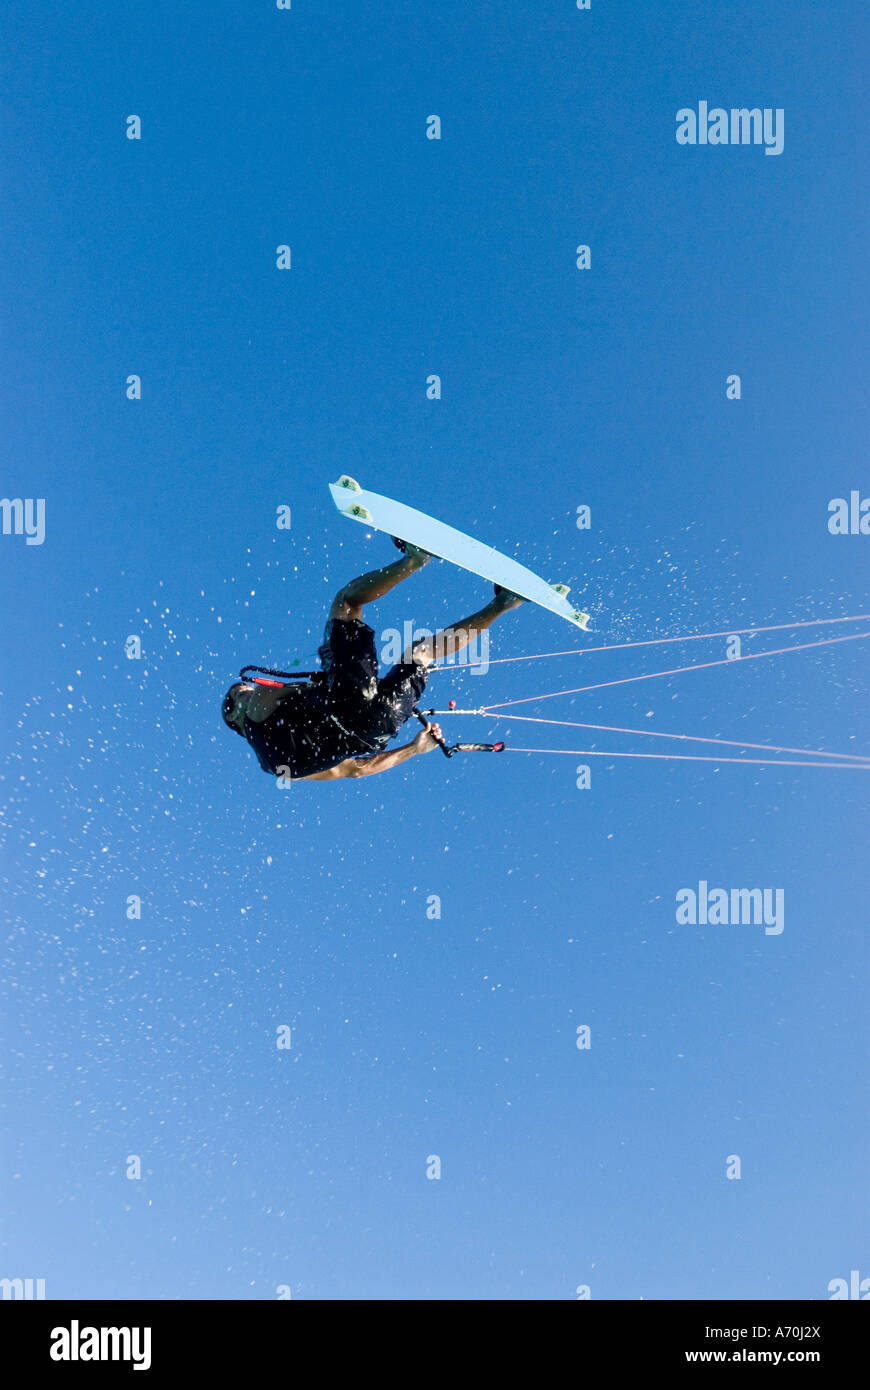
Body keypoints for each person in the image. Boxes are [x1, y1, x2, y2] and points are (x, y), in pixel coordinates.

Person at [221, 542, 524, 780]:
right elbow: (296, 693)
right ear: (236, 722)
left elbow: (357, 770)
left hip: (377, 727)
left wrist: (414, 750)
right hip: (342, 700)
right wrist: (332, 679)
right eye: (232, 699)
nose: (239, 691)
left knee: (422, 653)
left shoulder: (280, 770)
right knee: (346, 603)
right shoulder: (255, 709)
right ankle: (415, 559)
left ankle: (505, 602)